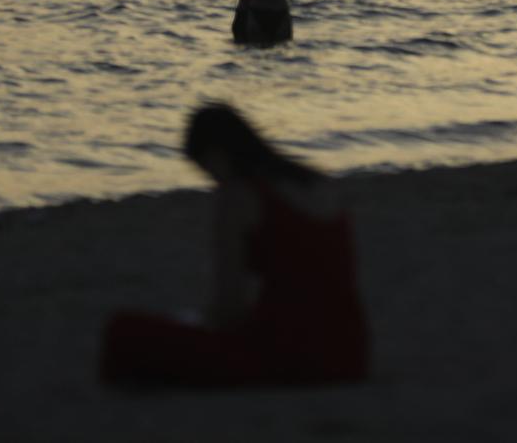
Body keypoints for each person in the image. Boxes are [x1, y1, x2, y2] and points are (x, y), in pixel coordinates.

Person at [100, 103, 370, 388]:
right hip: (351, 351)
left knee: (122, 331)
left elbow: (228, 307)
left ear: (217, 155)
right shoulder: (317, 183)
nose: (212, 181)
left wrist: (199, 323)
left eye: (207, 169)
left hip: (292, 354)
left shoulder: (239, 197)